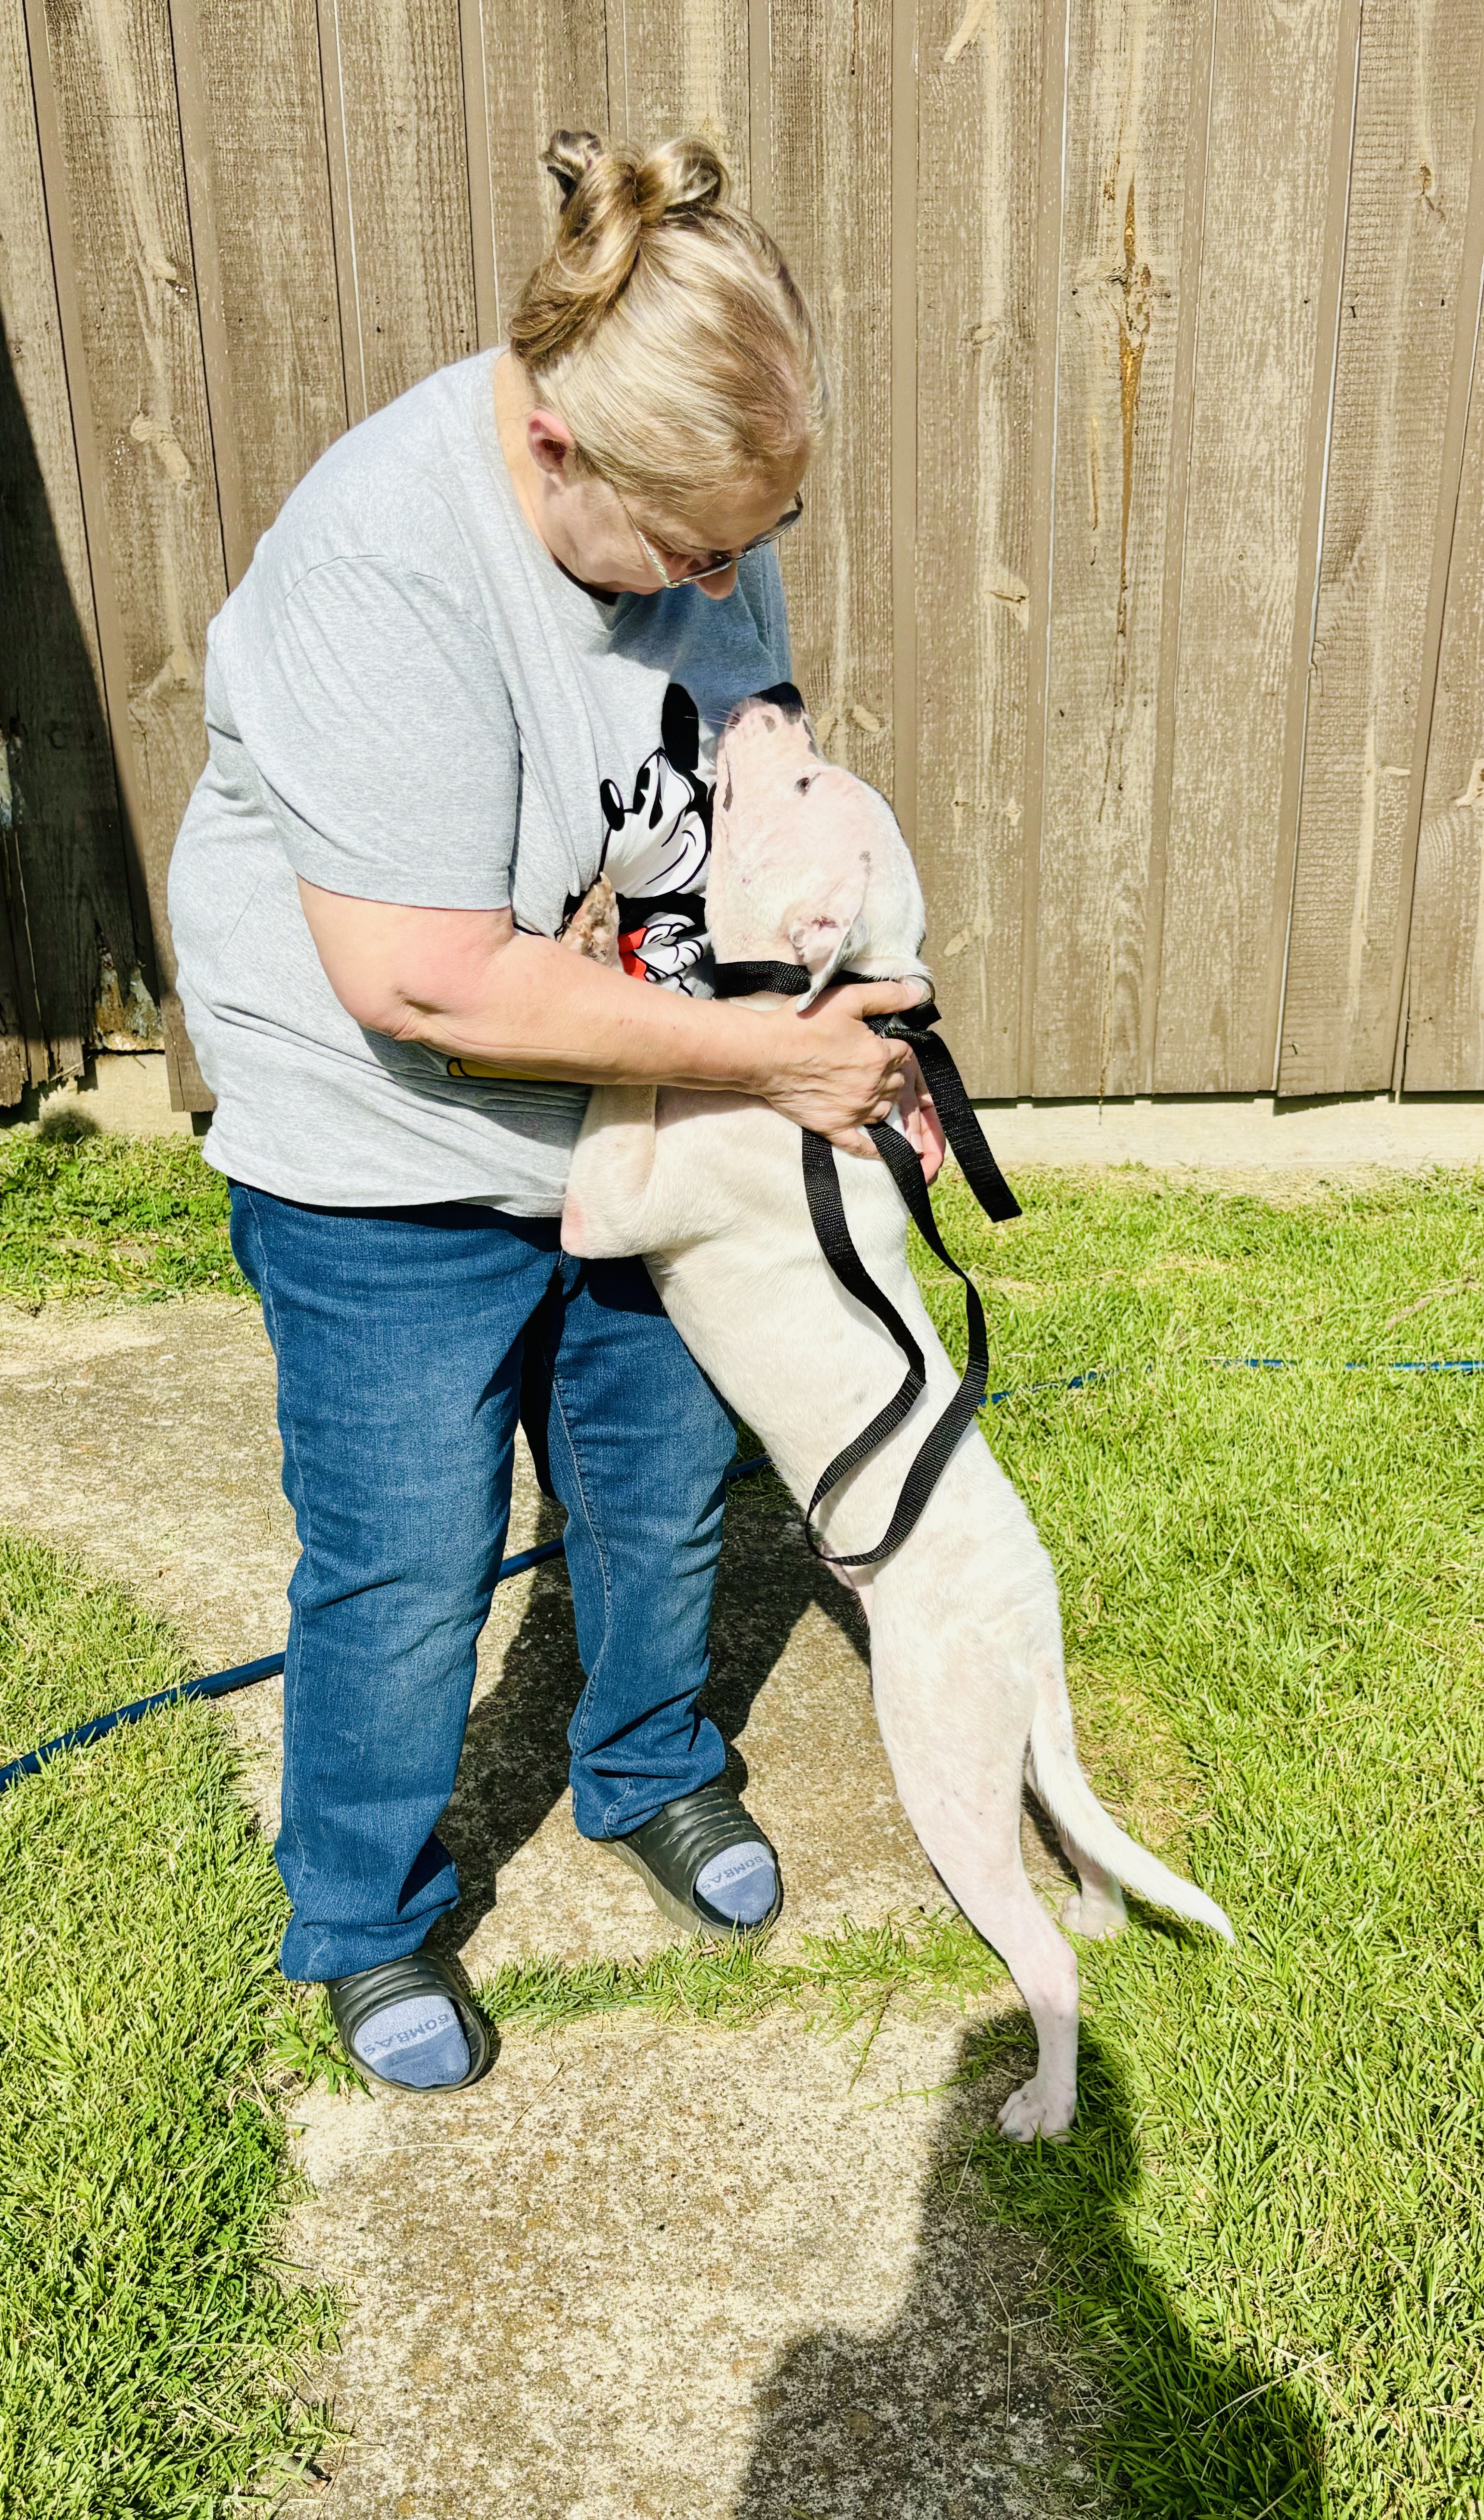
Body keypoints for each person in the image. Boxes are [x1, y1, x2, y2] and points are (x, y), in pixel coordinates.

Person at [167, 129, 933, 2094]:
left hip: (620, 1106)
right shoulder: (385, 562)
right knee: (410, 1555)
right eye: (689, 550)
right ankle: (362, 1905)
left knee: (660, 1487)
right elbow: (423, 980)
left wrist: (833, 996)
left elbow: (729, 773)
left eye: (742, 544)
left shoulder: (698, 511)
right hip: (381, 1145)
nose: (718, 582)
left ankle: (646, 1766)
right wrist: (763, 1059)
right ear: (557, 451)